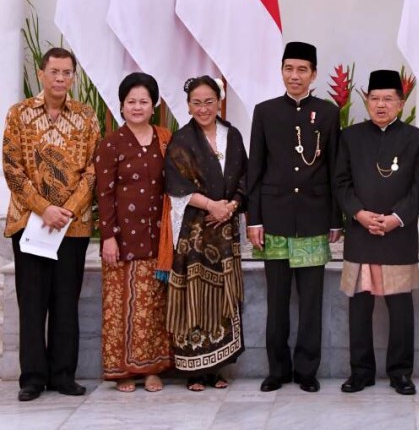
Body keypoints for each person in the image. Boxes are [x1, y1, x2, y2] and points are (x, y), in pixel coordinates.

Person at [2, 47, 100, 402]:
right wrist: (44, 209)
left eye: (67, 73)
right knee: (32, 303)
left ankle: (63, 375)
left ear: (73, 77)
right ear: (42, 74)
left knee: (64, 302)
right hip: (30, 224)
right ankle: (32, 378)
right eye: (54, 72)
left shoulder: (87, 117)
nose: (60, 79)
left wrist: (68, 210)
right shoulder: (19, 114)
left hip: (72, 228)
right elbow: (12, 168)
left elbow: (92, 170)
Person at [247, 41, 341, 393]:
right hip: (274, 221)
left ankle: (306, 370)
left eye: (302, 70)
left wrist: (335, 220)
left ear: (313, 74)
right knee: (278, 301)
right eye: (289, 68)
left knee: (311, 301)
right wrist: (254, 219)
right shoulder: (265, 111)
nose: (295, 76)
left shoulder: (329, 113)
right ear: (281, 71)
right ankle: (277, 369)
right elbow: (255, 170)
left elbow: (334, 169)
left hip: (314, 220)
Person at [334, 69, 419, 396]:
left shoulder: (418, 141)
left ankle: (401, 373)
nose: (381, 105)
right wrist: (359, 214)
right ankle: (360, 372)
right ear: (366, 101)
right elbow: (341, 183)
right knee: (359, 307)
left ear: (401, 104)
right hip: (361, 233)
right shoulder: (350, 137)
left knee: (400, 308)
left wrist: (397, 218)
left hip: (398, 235)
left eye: (388, 99)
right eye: (374, 98)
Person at [164, 76, 247, 391]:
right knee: (195, 296)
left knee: (224, 297)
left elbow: (245, 177)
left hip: (225, 230)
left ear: (219, 102)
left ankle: (217, 369)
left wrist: (232, 205)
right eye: (196, 102)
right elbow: (176, 185)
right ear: (188, 105)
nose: (203, 108)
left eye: (209, 101)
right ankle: (194, 372)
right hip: (195, 233)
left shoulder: (233, 136)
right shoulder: (182, 140)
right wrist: (212, 205)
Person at [95, 72, 172, 393]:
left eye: (143, 101)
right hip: (122, 239)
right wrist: (108, 237)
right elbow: (104, 193)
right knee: (120, 306)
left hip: (158, 238)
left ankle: (152, 368)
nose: (137, 107)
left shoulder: (165, 138)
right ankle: (122, 372)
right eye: (131, 102)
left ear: (154, 105)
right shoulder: (111, 144)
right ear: (122, 106)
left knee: (153, 305)